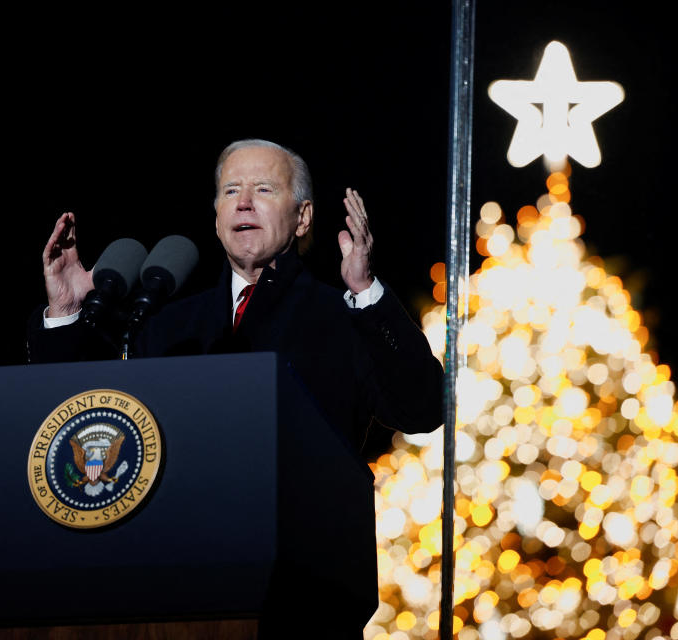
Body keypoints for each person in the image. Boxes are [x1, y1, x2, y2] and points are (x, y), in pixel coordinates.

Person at [28, 140, 442, 636]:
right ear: (217, 214)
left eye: (263, 189)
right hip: (171, 592)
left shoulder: (345, 316)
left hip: (303, 600)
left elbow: (422, 408)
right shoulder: (166, 323)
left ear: (303, 217)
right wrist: (69, 313)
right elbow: (82, 422)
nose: (243, 202)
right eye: (230, 191)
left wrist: (367, 292)